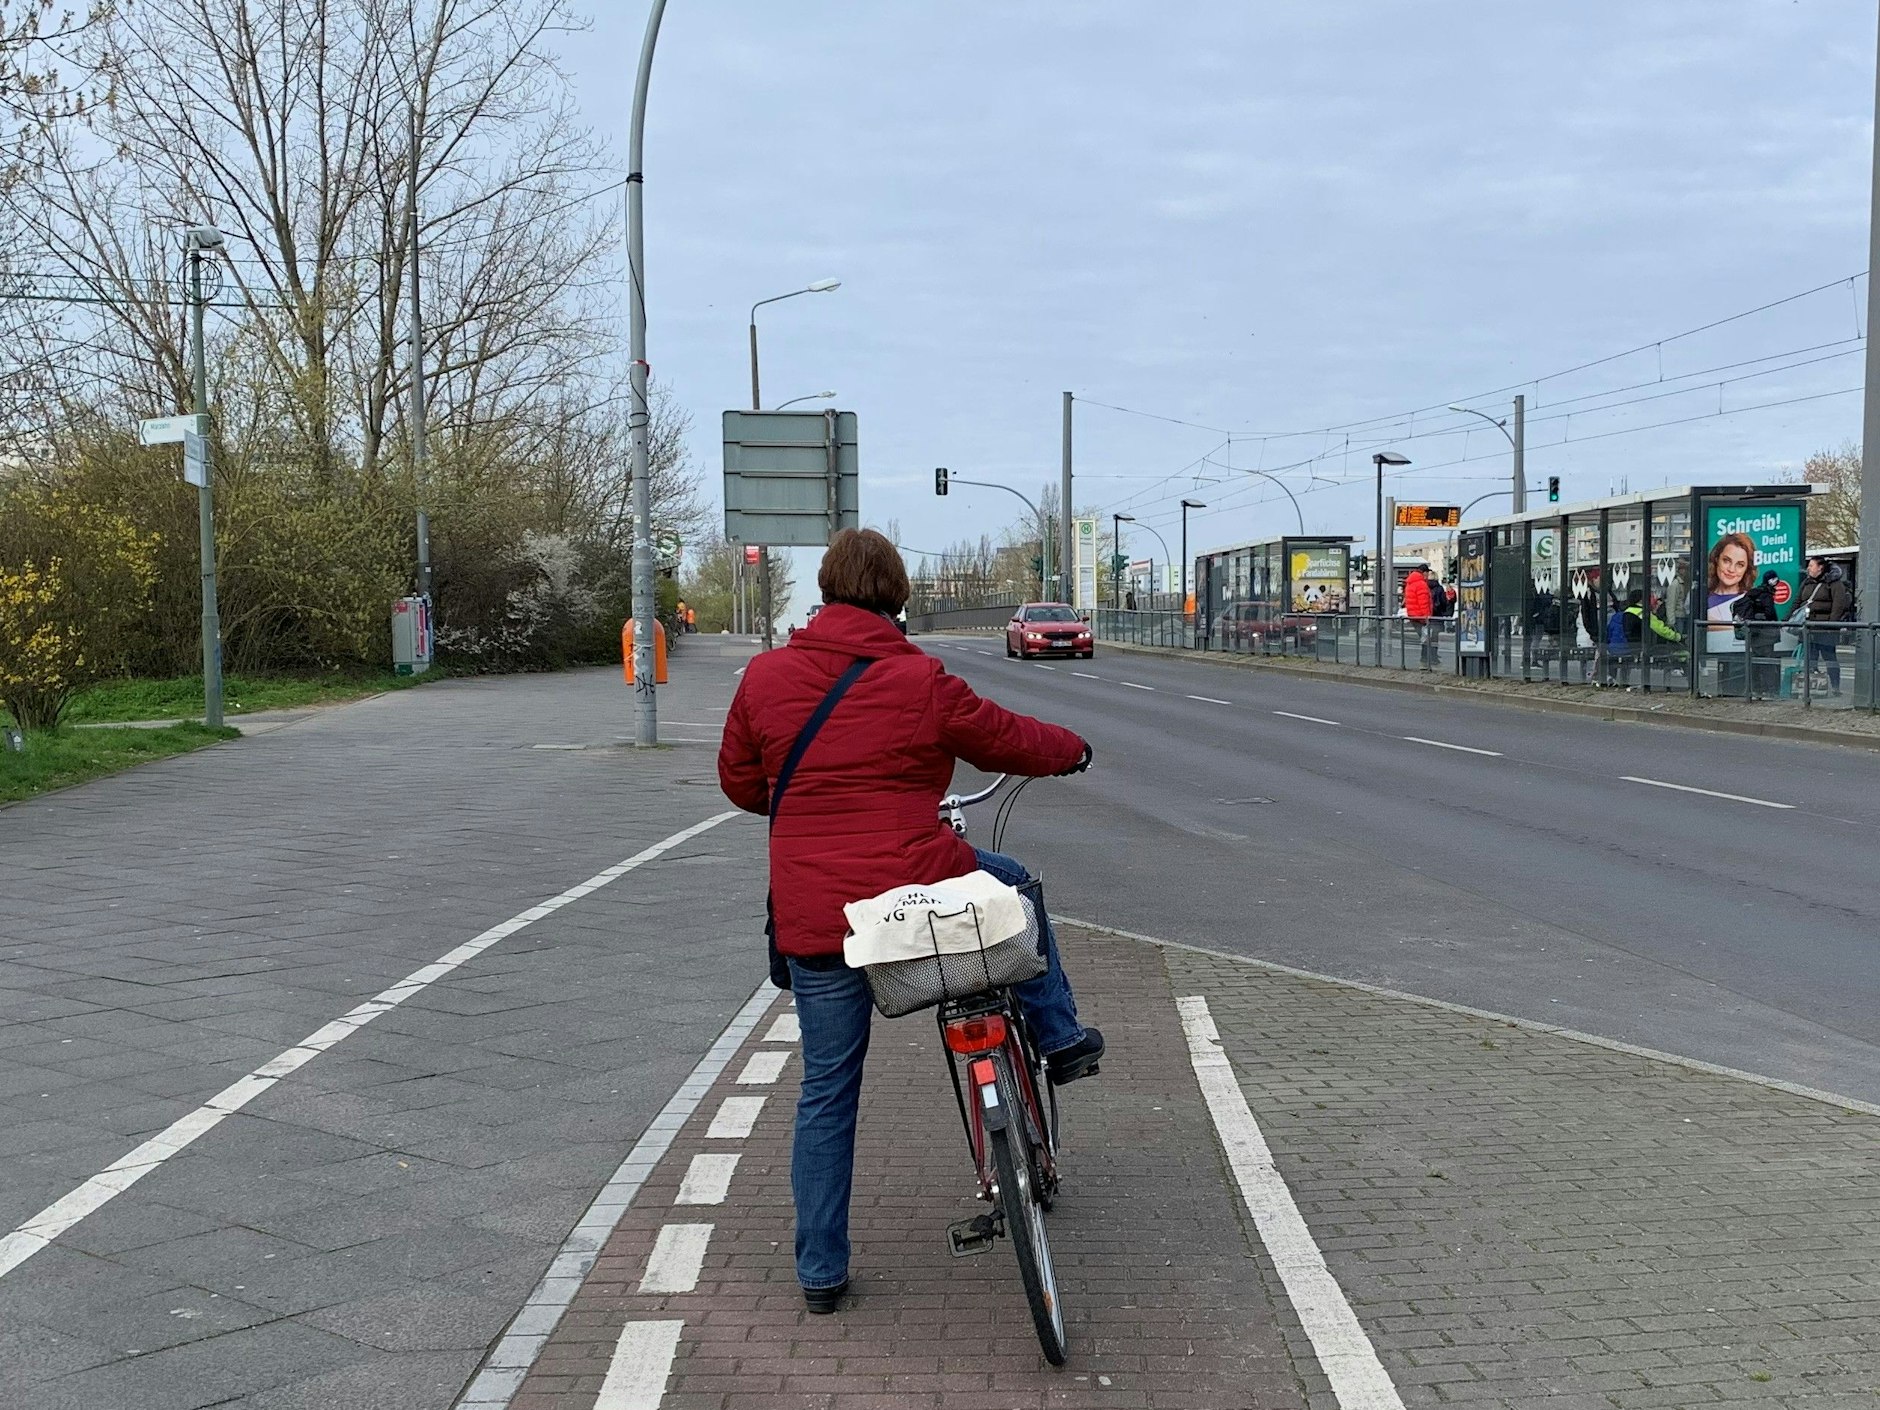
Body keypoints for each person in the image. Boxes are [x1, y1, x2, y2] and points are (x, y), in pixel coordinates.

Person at [717, 528, 1103, 1316]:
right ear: (897, 597)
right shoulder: (918, 678)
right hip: (918, 896)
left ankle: (821, 1274)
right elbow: (1006, 737)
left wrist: (809, 806)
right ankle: (1059, 1038)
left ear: (825, 589)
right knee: (1015, 885)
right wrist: (1073, 750)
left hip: (820, 917)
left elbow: (741, 783)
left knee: (827, 1090)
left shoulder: (765, 676)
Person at [1798, 554, 1852, 696]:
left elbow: (1838, 606)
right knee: (1811, 658)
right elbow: (1798, 601)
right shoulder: (1807, 582)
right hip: (1809, 626)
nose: (1808, 568)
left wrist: (1830, 625)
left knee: (1829, 657)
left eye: (1811, 565)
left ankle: (1835, 687)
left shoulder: (1834, 583)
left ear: (1820, 567)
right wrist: (1788, 619)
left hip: (1825, 627)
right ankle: (1812, 688)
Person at [1730, 569, 1783, 698]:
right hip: (1765, 633)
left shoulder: (1753, 593)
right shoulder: (1766, 595)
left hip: (1753, 632)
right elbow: (1770, 613)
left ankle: (1755, 689)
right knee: (1767, 663)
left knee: (1755, 662)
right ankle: (1770, 690)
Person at [1403, 563, 1436, 668]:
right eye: (1427, 573)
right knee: (1426, 639)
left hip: (1413, 615)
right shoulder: (1421, 584)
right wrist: (1427, 617)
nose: (1428, 575)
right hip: (1421, 617)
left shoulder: (1410, 583)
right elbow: (1424, 603)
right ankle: (1424, 662)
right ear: (1424, 572)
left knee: (1424, 639)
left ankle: (1426, 661)